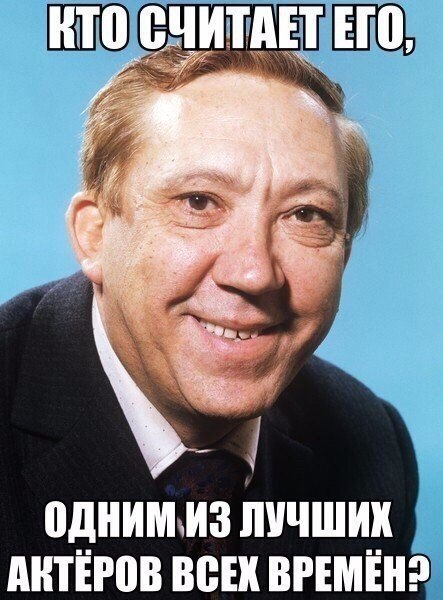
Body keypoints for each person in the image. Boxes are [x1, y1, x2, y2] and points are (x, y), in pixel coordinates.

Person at [0, 45, 423, 598]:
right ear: (95, 235)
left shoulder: (370, 442)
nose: (254, 272)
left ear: (344, 249)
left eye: (305, 215)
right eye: (199, 202)